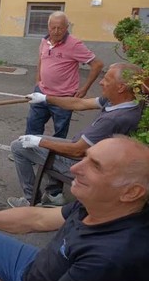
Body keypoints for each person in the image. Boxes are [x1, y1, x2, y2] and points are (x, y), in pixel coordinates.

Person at [0, 136, 149, 281]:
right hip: (36, 268)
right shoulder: (99, 203)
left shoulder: (110, 258)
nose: (74, 168)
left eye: (96, 166)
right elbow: (38, 217)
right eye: (85, 157)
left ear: (131, 192)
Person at [7, 62, 143, 208]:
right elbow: (79, 103)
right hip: (80, 147)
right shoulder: (123, 101)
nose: (101, 82)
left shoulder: (115, 119)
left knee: (18, 147)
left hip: (81, 161)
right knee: (39, 142)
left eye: (107, 80)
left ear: (121, 87)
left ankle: (30, 200)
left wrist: (39, 142)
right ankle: (54, 195)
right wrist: (45, 98)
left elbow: (77, 150)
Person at [26, 11, 104, 139]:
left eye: (60, 28)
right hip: (41, 93)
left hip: (64, 97)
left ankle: (54, 157)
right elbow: (41, 59)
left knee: (59, 132)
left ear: (66, 28)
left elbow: (98, 65)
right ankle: (28, 150)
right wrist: (38, 81)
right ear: (48, 27)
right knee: (33, 125)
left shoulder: (74, 44)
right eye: (53, 27)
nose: (56, 31)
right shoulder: (44, 41)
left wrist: (84, 88)